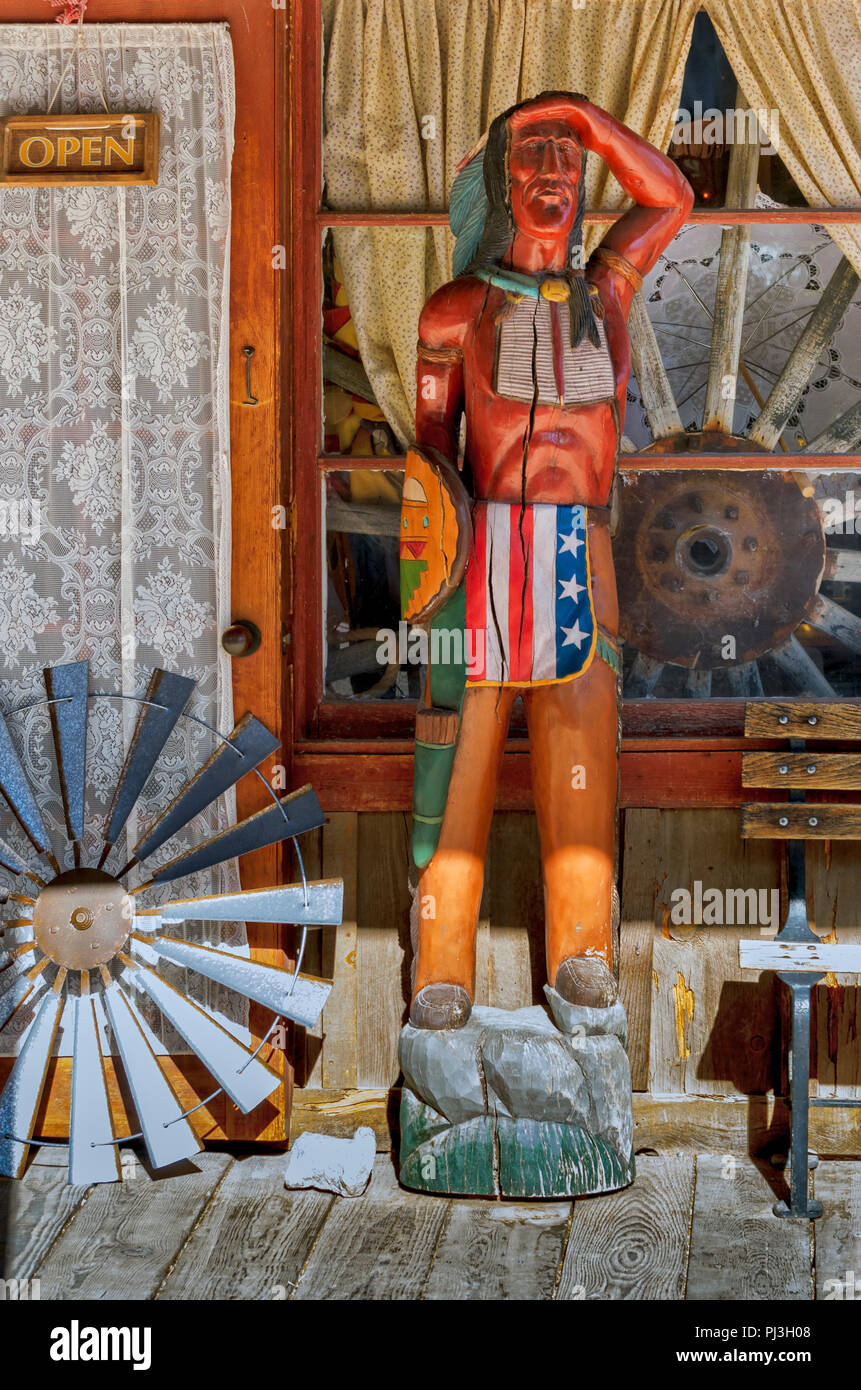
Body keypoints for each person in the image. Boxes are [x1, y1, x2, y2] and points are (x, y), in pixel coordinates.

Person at [408, 91, 693, 1030]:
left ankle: (583, 958)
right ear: (498, 185)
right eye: (530, 161)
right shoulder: (455, 313)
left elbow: (671, 200)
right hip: (481, 550)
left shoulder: (607, 290)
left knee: (580, 763)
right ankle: (439, 970)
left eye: (567, 167)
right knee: (463, 764)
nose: (552, 180)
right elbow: (428, 458)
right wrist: (434, 582)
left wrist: (584, 119)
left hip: (582, 549)